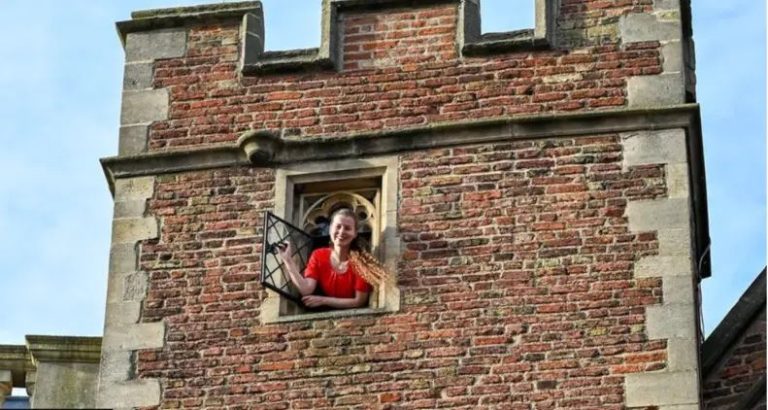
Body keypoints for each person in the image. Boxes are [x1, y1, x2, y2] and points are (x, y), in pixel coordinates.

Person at [276, 208, 385, 309]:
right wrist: (288, 260)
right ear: (330, 229)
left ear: (355, 234)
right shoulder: (318, 255)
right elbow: (306, 289)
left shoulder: (361, 262)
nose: (341, 232)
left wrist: (324, 300)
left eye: (347, 228)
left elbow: (359, 301)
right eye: (338, 226)